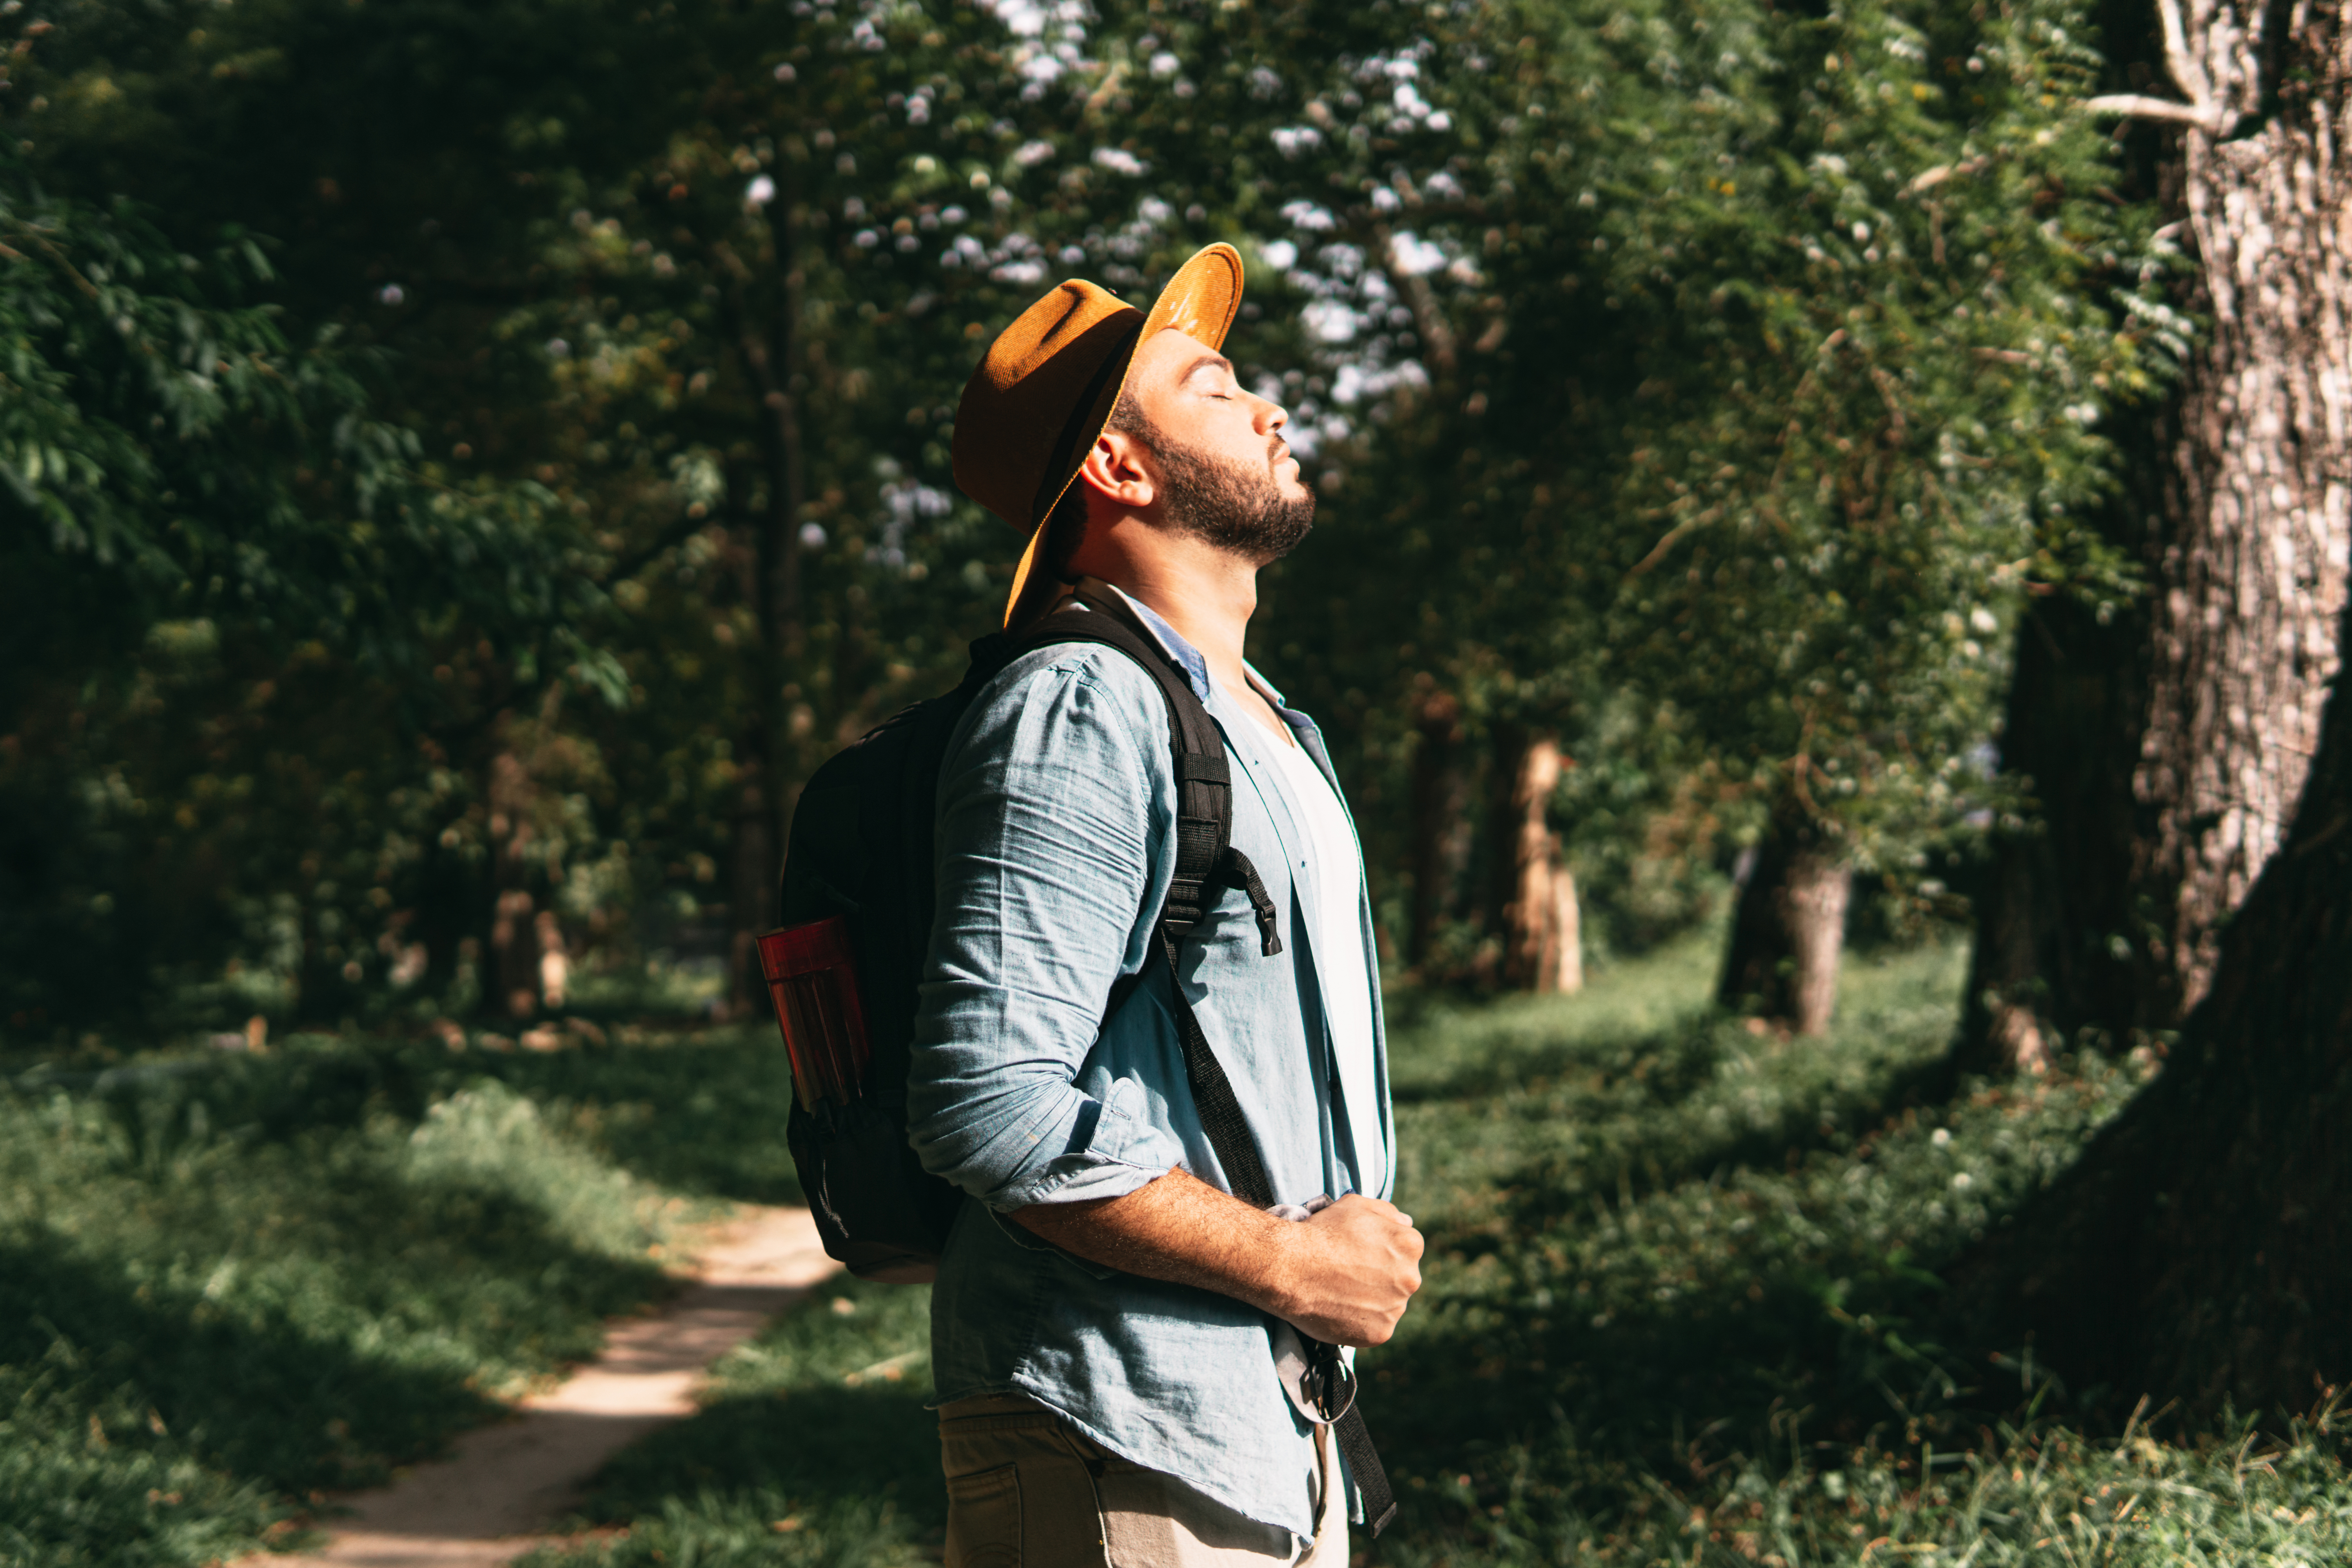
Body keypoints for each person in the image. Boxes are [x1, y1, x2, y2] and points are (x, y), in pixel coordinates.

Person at [907, 241, 1425, 1568]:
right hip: (1116, 1428)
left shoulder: (1265, 723)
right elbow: (989, 1103)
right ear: (1120, 468)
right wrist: (1291, 1265)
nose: (1272, 409)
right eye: (1215, 389)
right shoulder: (1082, 707)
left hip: (1262, 1427)